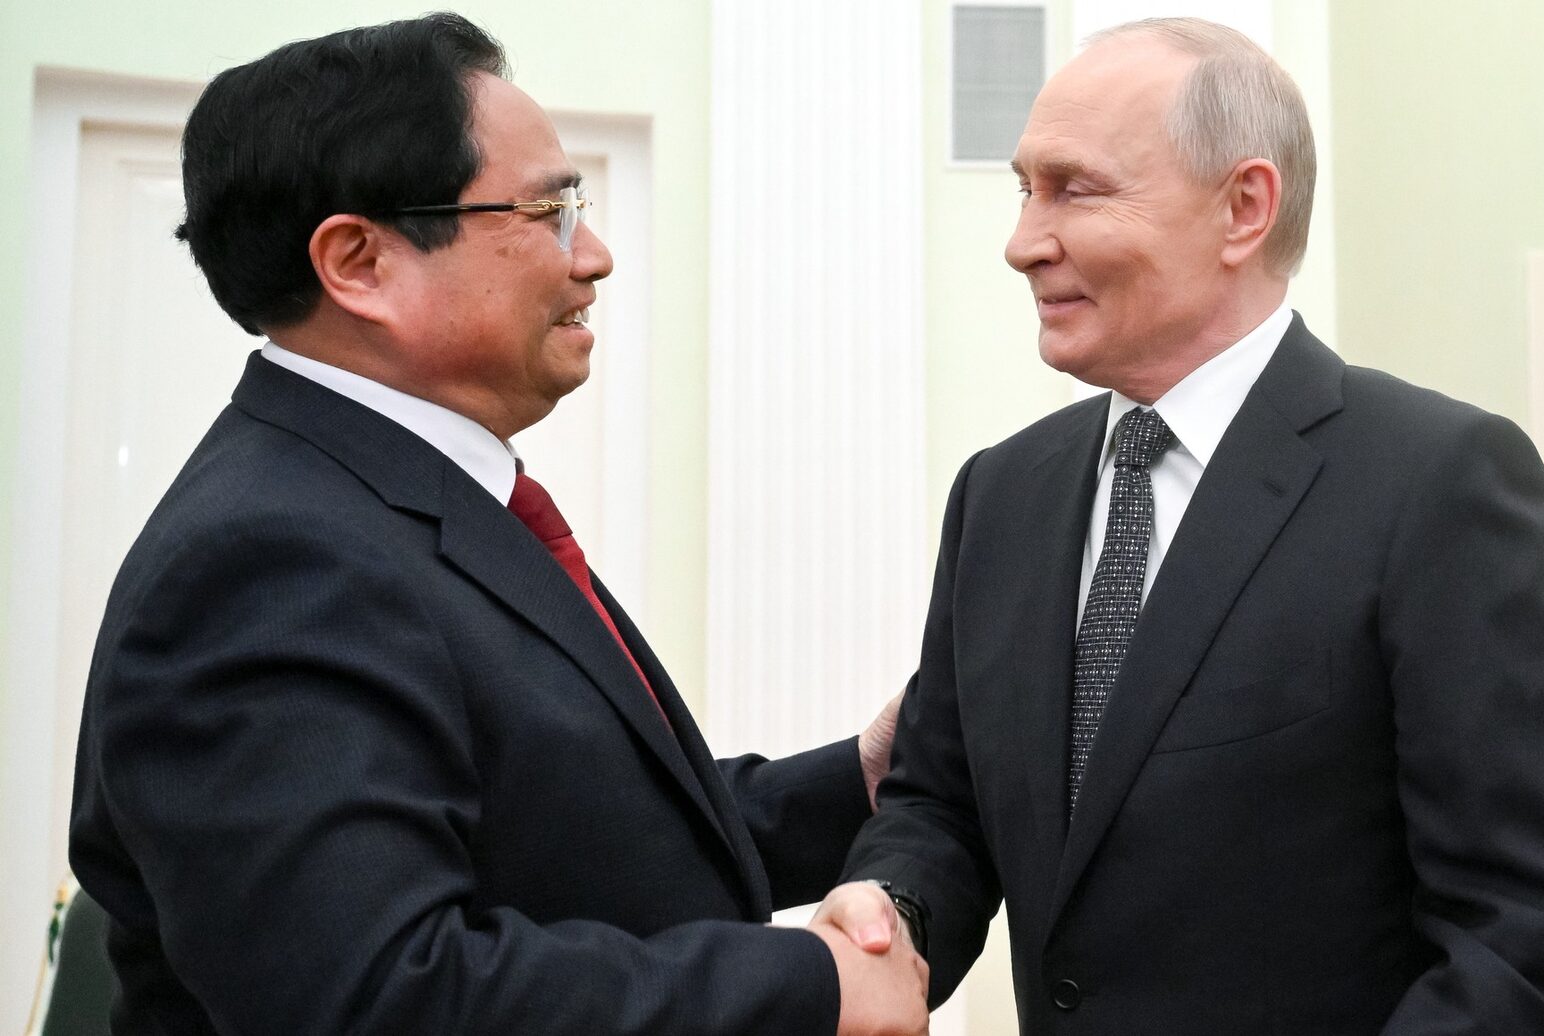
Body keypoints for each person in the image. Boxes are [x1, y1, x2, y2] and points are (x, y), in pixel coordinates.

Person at [68, 14, 927, 1035]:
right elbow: (383, 998)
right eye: (549, 209)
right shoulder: (266, 563)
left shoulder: (381, 500)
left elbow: (572, 829)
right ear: (360, 262)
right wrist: (808, 985)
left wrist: (857, 778)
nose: (594, 255)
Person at [821, 16, 1544, 1034]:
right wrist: (893, 913)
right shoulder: (1000, 495)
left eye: (1075, 189)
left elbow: (1527, 937)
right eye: (1025, 189)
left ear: (1243, 208)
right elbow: (943, 805)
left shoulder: (1439, 485)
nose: (1023, 242)